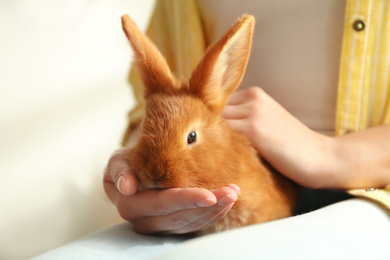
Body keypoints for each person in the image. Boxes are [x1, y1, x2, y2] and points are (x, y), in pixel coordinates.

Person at [100, 0, 390, 257]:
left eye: (191, 138)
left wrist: (331, 153)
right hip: (186, 217)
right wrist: (131, 171)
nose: (160, 169)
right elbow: (147, 111)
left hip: (368, 192)